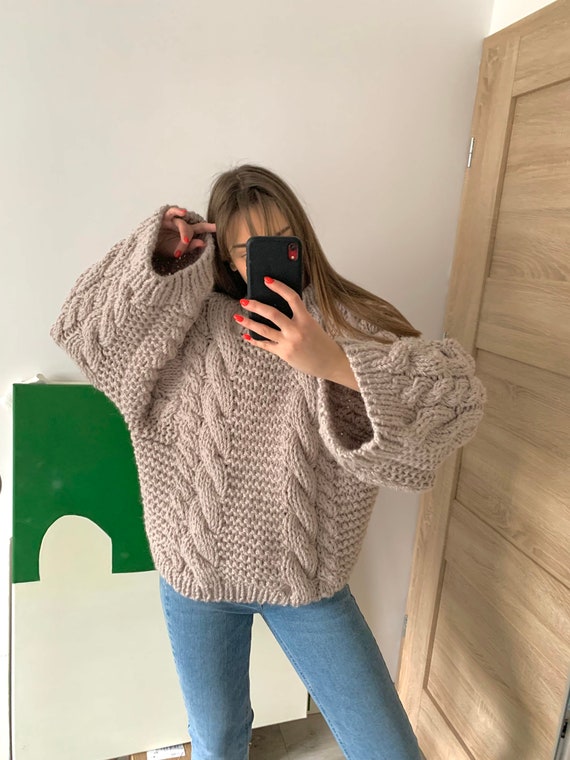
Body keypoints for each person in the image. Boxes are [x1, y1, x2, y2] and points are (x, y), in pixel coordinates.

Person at [50, 164, 486, 760]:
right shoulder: (187, 321)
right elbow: (90, 334)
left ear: (301, 236)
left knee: (388, 749)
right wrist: (152, 255)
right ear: (229, 260)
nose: (270, 257)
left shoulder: (345, 321)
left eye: (283, 238)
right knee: (217, 742)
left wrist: (333, 362)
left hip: (306, 581)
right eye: (248, 248)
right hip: (195, 576)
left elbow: (458, 397)